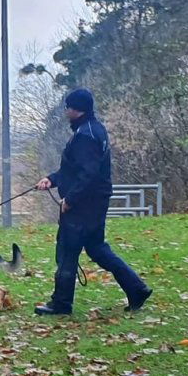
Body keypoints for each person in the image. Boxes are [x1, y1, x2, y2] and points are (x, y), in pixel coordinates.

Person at [34, 88, 152, 315]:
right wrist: (51, 179)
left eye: (68, 107)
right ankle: (136, 289)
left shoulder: (85, 136)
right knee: (98, 249)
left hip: (83, 206)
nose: (66, 110)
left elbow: (88, 174)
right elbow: (74, 170)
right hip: (95, 203)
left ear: (76, 109)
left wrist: (70, 199)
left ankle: (61, 304)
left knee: (67, 253)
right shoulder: (93, 130)